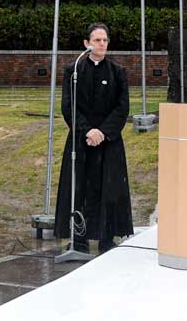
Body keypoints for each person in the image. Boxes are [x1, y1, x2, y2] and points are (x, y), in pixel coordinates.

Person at [54, 23, 134, 254]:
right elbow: (68, 106)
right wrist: (87, 130)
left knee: (109, 189)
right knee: (79, 188)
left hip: (109, 142)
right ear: (86, 44)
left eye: (105, 40)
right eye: (97, 40)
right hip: (82, 140)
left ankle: (107, 238)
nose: (102, 44)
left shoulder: (118, 72)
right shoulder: (74, 70)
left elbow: (122, 107)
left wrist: (103, 132)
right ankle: (78, 238)